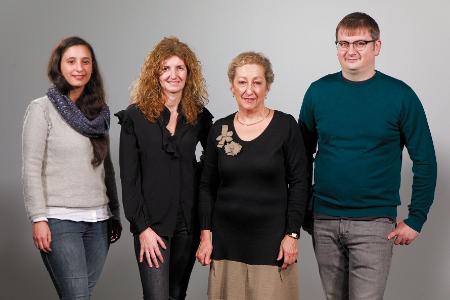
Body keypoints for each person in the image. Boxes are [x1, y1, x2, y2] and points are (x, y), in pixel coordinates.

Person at [299, 12, 437, 300]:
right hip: (323, 220)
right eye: (343, 43)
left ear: (377, 46)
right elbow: (300, 156)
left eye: (360, 43)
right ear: (336, 46)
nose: (351, 51)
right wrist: (304, 209)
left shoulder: (400, 96)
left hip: (374, 223)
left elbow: (425, 159)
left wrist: (416, 218)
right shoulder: (318, 92)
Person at [196, 51, 309, 300]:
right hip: (226, 244)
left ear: (267, 86)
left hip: (272, 245)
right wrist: (206, 235)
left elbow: (300, 184)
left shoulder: (285, 126)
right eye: (242, 82)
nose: (249, 90)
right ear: (232, 87)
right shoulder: (220, 129)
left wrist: (292, 235)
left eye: (257, 82)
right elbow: (206, 186)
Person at [22, 36, 122, 300]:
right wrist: (39, 218)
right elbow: (31, 167)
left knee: (80, 295)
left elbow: (106, 168)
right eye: (71, 61)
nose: (79, 68)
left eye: (85, 62)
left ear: (92, 68)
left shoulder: (98, 113)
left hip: (98, 221)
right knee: (78, 296)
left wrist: (114, 212)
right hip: (60, 220)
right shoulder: (41, 109)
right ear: (59, 66)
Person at [115, 37, 213, 300]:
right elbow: (129, 178)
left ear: (189, 73)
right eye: (165, 68)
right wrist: (142, 228)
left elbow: (215, 163)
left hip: (187, 223)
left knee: (177, 295)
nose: (173, 75)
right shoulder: (135, 117)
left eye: (180, 68)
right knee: (156, 296)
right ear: (155, 75)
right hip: (152, 226)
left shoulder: (199, 116)